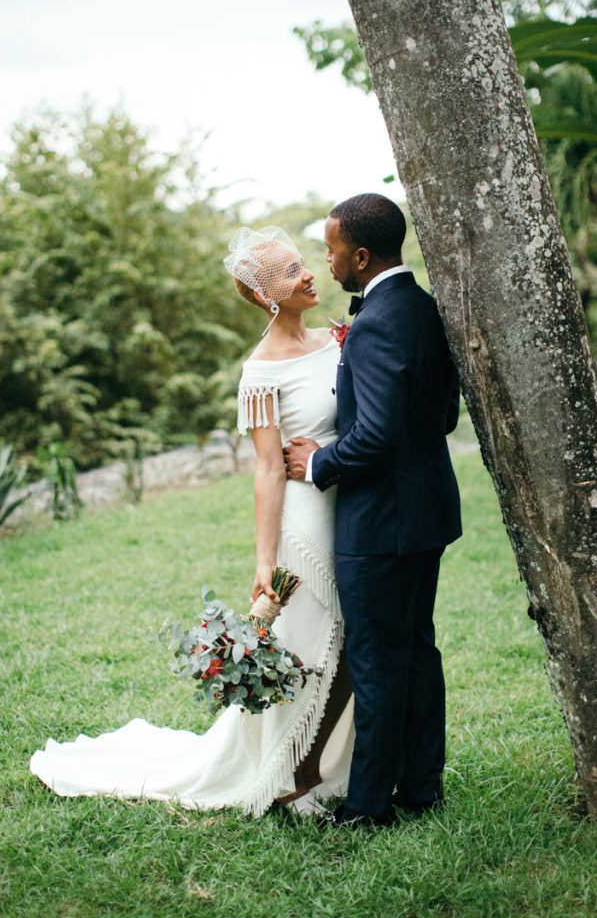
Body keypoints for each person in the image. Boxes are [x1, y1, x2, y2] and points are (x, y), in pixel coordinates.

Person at [30, 225, 354, 816]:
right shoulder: (260, 371)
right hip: (307, 523)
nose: (308, 273)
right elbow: (266, 469)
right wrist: (264, 561)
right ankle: (293, 768)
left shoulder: (337, 340)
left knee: (354, 640)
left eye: (303, 263)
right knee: (312, 644)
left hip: (353, 506)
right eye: (290, 272)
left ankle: (337, 766)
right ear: (264, 296)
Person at [284, 193, 461, 828]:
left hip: (382, 523)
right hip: (426, 512)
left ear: (360, 257)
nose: (327, 262)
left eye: (331, 250)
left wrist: (318, 464)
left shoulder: (378, 322)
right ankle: (420, 788)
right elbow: (443, 416)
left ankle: (366, 808)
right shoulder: (425, 307)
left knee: (377, 663)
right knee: (415, 652)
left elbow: (377, 434)